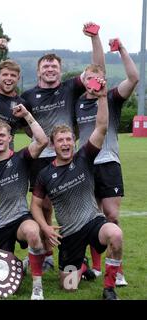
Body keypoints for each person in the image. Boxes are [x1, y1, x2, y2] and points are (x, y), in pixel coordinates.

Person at [31, 77, 124, 300]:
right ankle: (81, 265)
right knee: (69, 287)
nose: (65, 143)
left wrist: (102, 97)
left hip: (93, 222)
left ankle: (109, 289)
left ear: (74, 141)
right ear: (53, 145)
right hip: (70, 234)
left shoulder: (84, 157)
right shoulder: (45, 174)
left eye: (68, 139)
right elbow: (35, 205)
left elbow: (101, 126)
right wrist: (45, 227)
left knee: (116, 234)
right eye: (60, 140)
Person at [21, 22, 105, 269]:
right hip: (41, 157)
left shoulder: (69, 87)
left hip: (68, 155)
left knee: (76, 203)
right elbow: (22, 124)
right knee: (44, 206)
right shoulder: (28, 96)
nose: (50, 69)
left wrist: (94, 39)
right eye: (45, 66)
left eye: (54, 66)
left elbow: (97, 71)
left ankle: (80, 257)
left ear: (60, 70)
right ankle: (47, 255)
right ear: (38, 72)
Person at [75, 38, 138, 284]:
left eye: (97, 78)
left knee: (111, 216)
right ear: (84, 80)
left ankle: (117, 268)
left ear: (102, 80)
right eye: (88, 78)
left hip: (109, 163)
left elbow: (133, 79)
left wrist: (122, 49)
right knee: (92, 217)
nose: (93, 83)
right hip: (86, 165)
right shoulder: (77, 102)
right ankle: (98, 267)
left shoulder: (111, 98)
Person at [0, 104, 49, 300]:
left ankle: (37, 287)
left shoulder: (21, 158)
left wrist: (27, 115)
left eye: (2, 135)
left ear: (10, 138)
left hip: (21, 218)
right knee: (1, 279)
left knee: (32, 231)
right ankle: (22, 264)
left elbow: (42, 140)